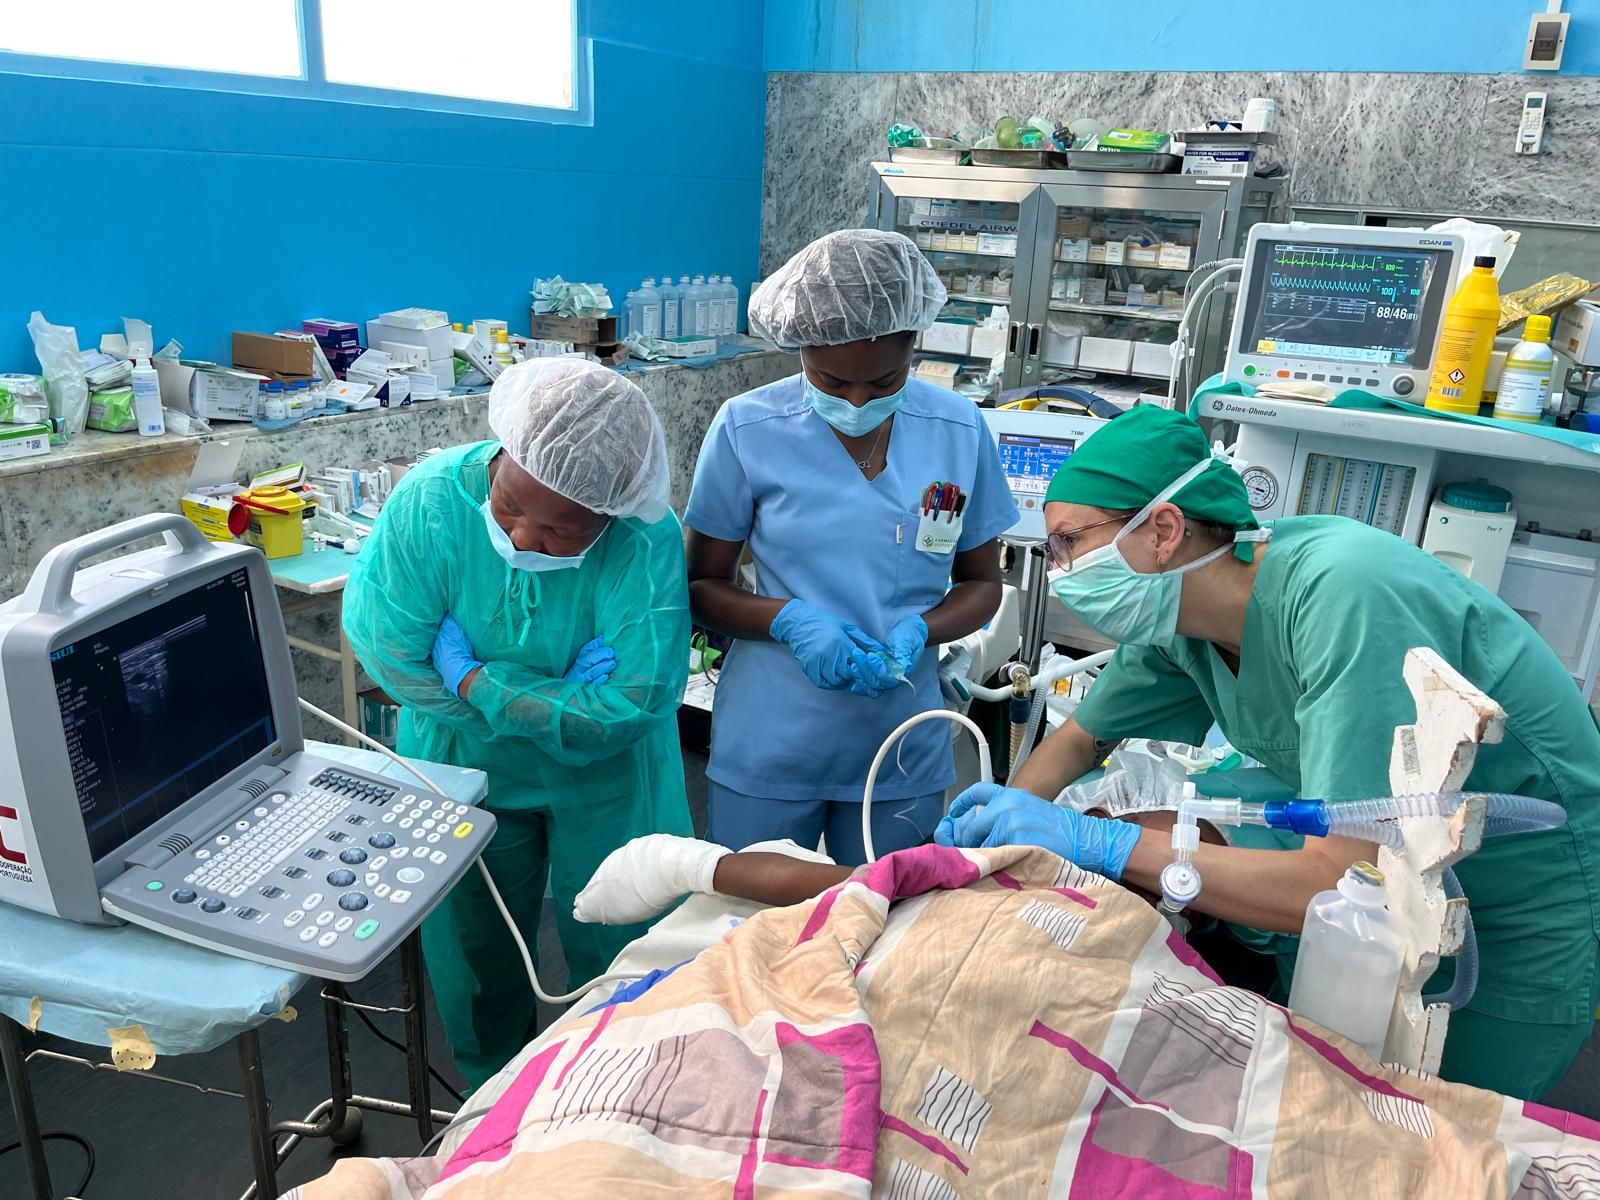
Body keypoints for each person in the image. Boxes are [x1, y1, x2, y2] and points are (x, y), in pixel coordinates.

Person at [937, 404, 1600, 1100]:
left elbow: (1338, 877)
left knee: (1441, 1123)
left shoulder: (1342, 595)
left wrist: (1095, 843)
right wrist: (1003, 834)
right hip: (1378, 867)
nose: (1062, 571)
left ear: (1163, 530)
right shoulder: (1184, 622)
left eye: (1070, 544)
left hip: (1514, 887)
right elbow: (1079, 740)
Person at [343, 357, 692, 1088]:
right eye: (508, 507)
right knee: (475, 946)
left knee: (625, 939)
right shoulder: (432, 504)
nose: (527, 538)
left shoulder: (642, 536)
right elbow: (394, 656)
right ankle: (490, 1100)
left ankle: (614, 1095)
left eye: (564, 531)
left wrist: (478, 680)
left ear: (610, 515)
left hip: (605, 784)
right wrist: (556, 704)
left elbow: (632, 706)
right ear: (501, 453)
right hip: (462, 767)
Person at [683, 229, 1019, 865]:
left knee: (890, 913)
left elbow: (981, 583)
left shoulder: (957, 430)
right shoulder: (748, 429)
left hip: (901, 737)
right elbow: (702, 586)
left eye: (884, 380)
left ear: (915, 342)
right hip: (775, 733)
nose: (858, 401)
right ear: (800, 349)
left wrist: (923, 629)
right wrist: (790, 621)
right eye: (831, 382)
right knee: (755, 915)